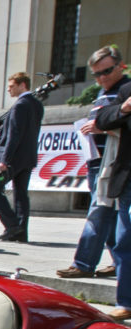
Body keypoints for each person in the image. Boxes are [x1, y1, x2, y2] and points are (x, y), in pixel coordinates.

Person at [57, 46, 130, 279]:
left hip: (116, 163)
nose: (102, 78)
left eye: (107, 71)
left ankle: (84, 262)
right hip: (96, 159)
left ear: (121, 66)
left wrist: (105, 124)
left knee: (100, 212)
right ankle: (116, 261)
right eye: (97, 74)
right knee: (105, 213)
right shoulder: (102, 92)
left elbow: (114, 119)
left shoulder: (126, 90)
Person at [0, 72, 44, 242]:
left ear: (23, 85)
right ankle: (21, 231)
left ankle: (13, 226)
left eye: (12, 86)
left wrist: (5, 161)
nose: (8, 89)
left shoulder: (20, 105)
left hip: (12, 159)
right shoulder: (36, 104)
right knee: (21, 193)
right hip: (27, 157)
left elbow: (15, 134)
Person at [95, 74, 131, 320]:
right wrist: (124, 108)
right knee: (124, 240)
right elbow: (103, 118)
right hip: (129, 179)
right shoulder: (127, 90)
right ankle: (126, 301)